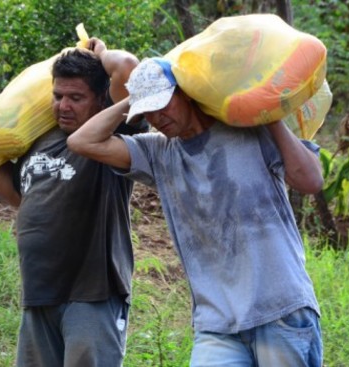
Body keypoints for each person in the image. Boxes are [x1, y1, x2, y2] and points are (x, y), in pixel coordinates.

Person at [67, 57, 324, 366]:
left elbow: (311, 181)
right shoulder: (157, 152)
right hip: (217, 325)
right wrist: (133, 99)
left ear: (186, 93)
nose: (157, 117)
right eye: (147, 112)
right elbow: (81, 141)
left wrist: (268, 115)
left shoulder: (248, 130)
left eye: (163, 104)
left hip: (281, 311)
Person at [0, 39, 146, 367]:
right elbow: (19, 196)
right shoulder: (39, 140)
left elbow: (127, 68)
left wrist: (99, 54)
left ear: (100, 100)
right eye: (58, 96)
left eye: (76, 98)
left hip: (92, 292)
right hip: (39, 292)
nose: (64, 106)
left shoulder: (108, 137)